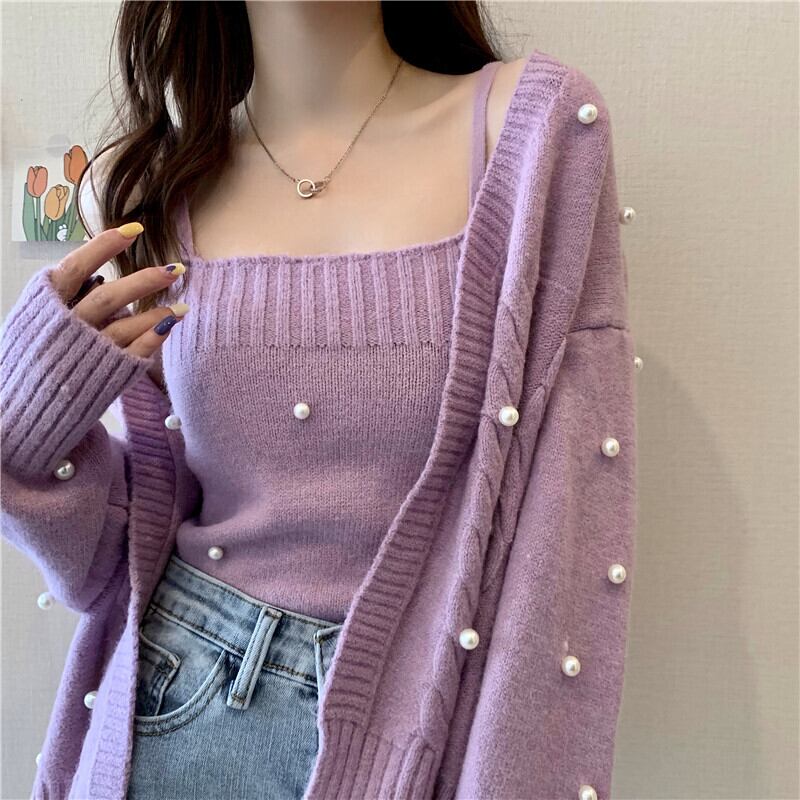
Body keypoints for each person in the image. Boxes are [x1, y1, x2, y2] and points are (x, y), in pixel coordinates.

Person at [1, 3, 638, 799]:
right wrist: (22, 429)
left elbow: (563, 530)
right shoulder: (149, 187)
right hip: (173, 706)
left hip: (426, 721)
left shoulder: (536, 132)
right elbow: (111, 565)